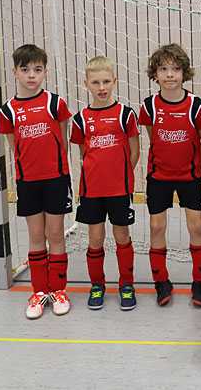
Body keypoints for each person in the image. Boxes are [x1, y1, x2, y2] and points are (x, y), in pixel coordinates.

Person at [0, 44, 73, 319]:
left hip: (55, 179)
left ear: (45, 72)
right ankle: (40, 292)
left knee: (55, 235)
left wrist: (58, 171)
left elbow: (62, 140)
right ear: (15, 72)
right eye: (26, 70)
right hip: (28, 182)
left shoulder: (56, 103)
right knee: (35, 236)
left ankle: (59, 290)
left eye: (38, 70)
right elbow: (13, 146)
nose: (32, 75)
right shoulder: (8, 111)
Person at [138, 43, 201, 307]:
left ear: (184, 73)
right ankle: (161, 281)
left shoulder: (195, 105)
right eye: (163, 69)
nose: (170, 74)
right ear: (155, 74)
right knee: (157, 227)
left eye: (175, 69)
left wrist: (194, 165)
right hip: (158, 177)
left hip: (189, 177)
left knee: (196, 227)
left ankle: (199, 281)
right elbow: (153, 137)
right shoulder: (149, 106)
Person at [70, 56, 139, 311]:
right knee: (96, 238)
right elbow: (82, 152)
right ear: (87, 84)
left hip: (119, 189)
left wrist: (120, 175)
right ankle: (97, 284)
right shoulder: (80, 118)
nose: (102, 87)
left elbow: (134, 152)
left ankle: (126, 284)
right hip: (92, 190)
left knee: (121, 235)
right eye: (96, 82)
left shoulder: (125, 114)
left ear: (115, 82)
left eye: (106, 81)